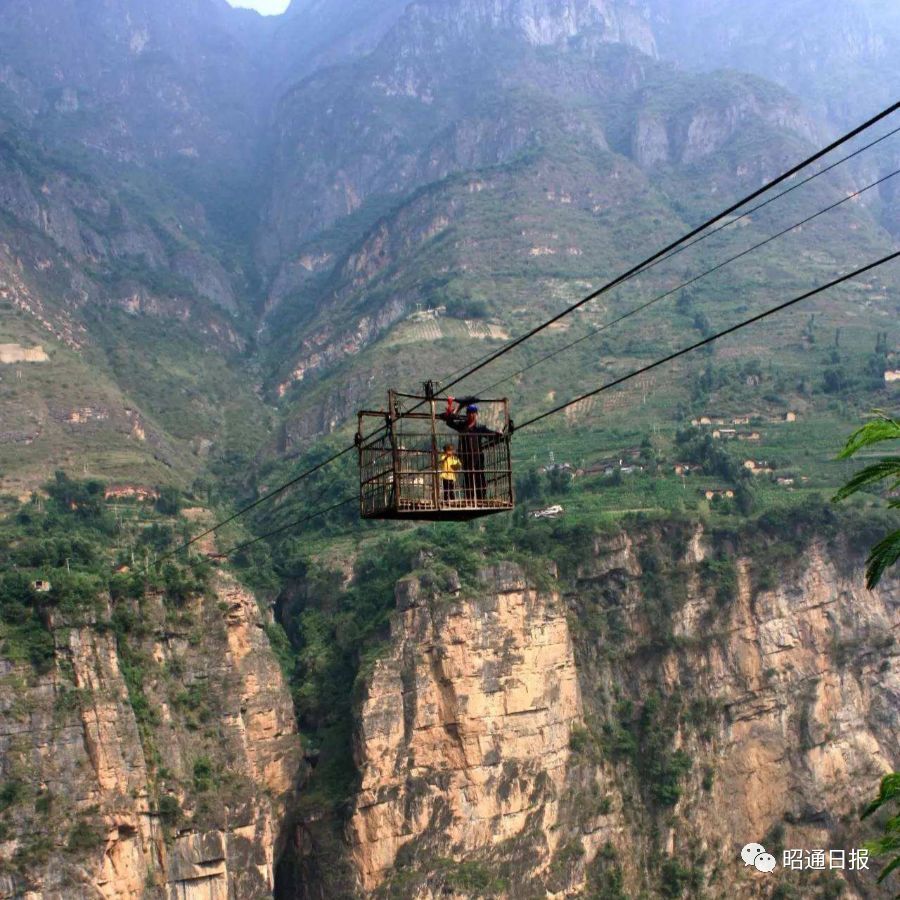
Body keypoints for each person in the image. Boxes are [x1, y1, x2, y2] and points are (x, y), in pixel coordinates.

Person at [438, 399, 502, 502]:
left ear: (476, 414)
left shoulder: (480, 428)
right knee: (468, 478)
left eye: (473, 413)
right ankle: (470, 498)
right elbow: (449, 422)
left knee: (479, 477)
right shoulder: (462, 426)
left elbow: (490, 434)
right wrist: (453, 411)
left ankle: (481, 498)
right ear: (467, 414)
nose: (471, 415)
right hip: (466, 457)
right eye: (469, 413)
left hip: (477, 457)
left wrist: (498, 434)